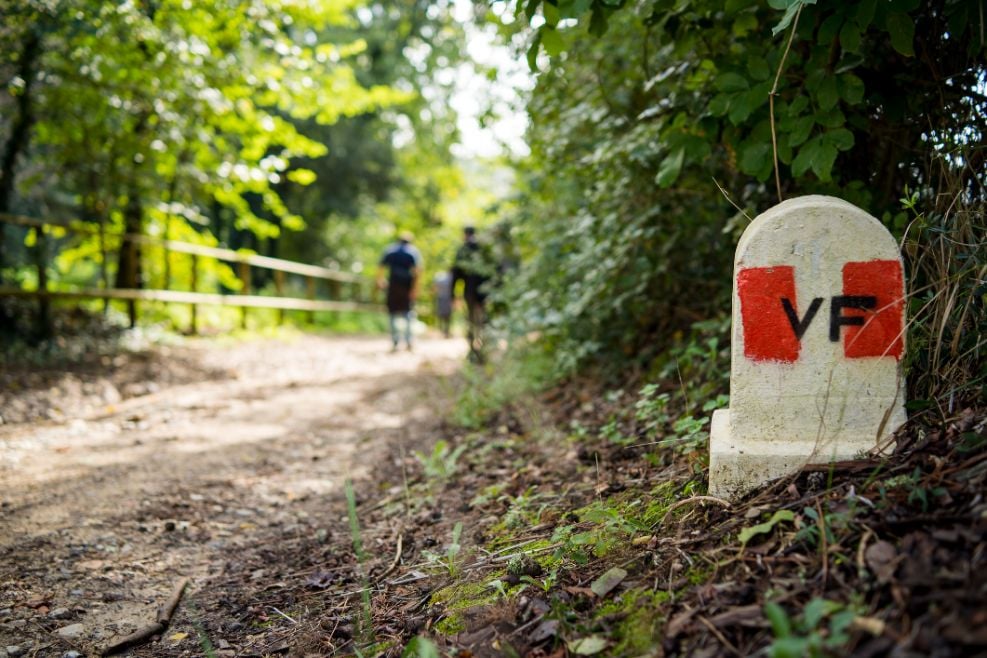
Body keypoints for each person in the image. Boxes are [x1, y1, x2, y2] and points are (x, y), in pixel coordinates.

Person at [451, 226, 494, 362]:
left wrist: (453, 295)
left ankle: (473, 350)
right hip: (485, 290)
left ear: (464, 234)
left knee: (471, 320)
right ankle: (484, 349)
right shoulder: (484, 248)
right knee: (484, 320)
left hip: (469, 290)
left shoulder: (463, 249)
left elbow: (456, 274)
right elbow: (493, 270)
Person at [377, 231, 422, 352]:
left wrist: (380, 281)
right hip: (407, 286)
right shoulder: (413, 252)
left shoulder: (390, 250)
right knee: (408, 313)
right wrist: (415, 289)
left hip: (393, 286)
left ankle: (395, 341)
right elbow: (417, 271)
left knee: (392, 313)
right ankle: (409, 341)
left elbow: (381, 266)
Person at [433, 271, 453, 338]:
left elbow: (435, 287)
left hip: (442, 298)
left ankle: (443, 331)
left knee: (442, 315)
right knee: (446, 315)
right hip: (446, 298)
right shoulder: (450, 278)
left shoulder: (439, 277)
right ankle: (444, 331)